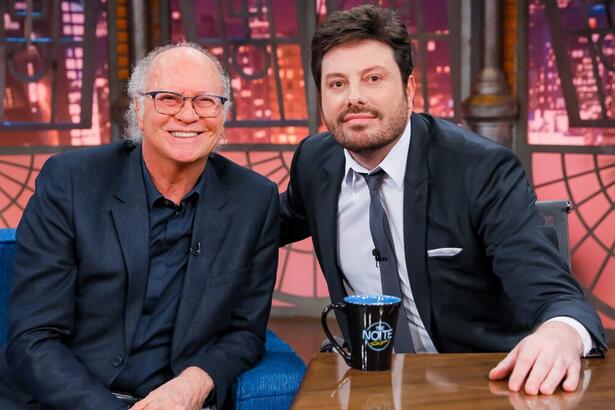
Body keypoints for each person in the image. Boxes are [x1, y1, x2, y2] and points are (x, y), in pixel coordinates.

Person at [280, 5, 606, 396]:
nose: (354, 98)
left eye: (373, 78)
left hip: (480, 385)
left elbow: (555, 296)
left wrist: (560, 334)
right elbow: (260, 223)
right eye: (337, 84)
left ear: (409, 89)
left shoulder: (480, 170)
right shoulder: (316, 163)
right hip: (370, 382)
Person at [0, 42, 278, 409]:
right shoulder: (71, 182)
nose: (188, 115)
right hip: (66, 401)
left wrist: (195, 382)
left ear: (223, 114)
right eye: (168, 99)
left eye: (206, 101)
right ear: (138, 108)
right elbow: (32, 337)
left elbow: (245, 332)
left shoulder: (254, 199)